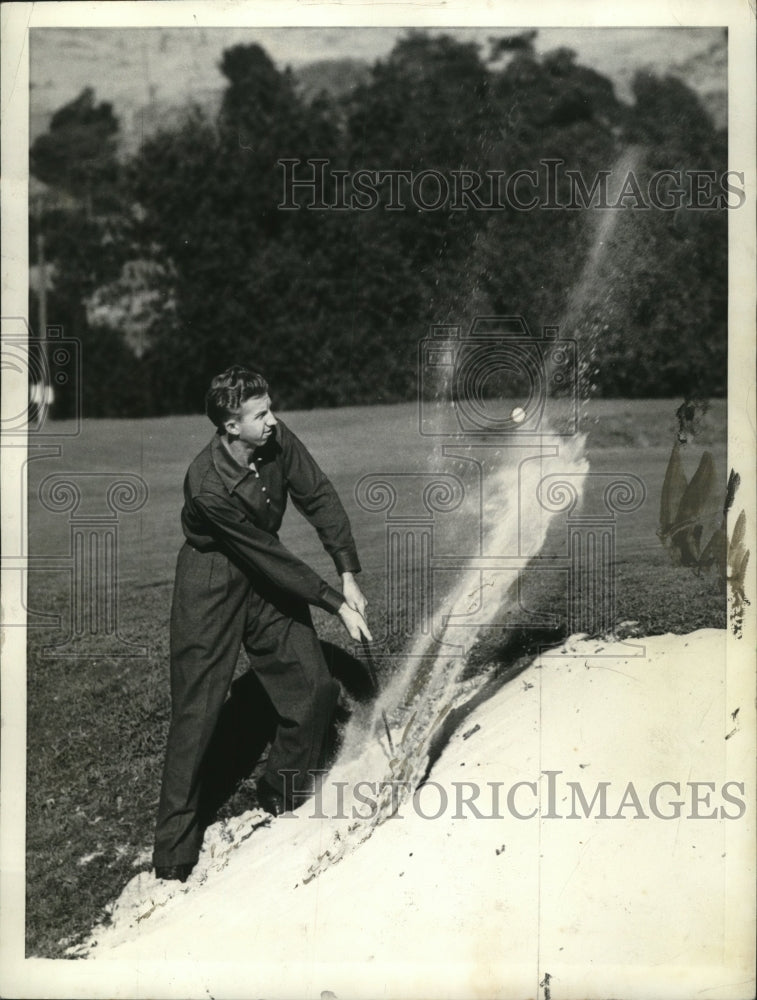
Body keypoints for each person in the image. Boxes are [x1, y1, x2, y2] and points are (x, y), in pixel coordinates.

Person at [153, 366, 371, 882]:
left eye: (270, 408)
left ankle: (281, 796)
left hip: (263, 575)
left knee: (313, 686)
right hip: (211, 582)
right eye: (259, 414)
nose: (272, 420)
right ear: (230, 427)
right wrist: (333, 602)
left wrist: (348, 572)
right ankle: (172, 858)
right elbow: (266, 554)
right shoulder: (206, 485)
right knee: (197, 712)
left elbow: (316, 493)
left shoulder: (273, 437)